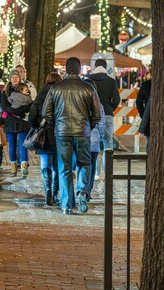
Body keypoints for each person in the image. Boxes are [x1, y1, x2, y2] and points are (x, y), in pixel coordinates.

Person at [42, 57, 102, 215]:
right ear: (80, 69)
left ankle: (67, 204)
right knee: (84, 163)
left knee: (64, 168)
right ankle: (82, 191)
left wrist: (56, 124)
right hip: (83, 131)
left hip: (62, 132)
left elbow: (45, 112)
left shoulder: (56, 88)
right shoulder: (89, 88)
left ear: (65, 70)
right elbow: (97, 115)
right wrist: (88, 125)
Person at [29, 72, 63, 206]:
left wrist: (36, 127)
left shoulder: (41, 94)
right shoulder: (61, 93)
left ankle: (47, 188)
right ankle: (54, 194)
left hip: (44, 135)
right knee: (57, 167)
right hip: (59, 133)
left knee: (45, 165)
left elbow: (32, 115)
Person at [88, 58, 120, 183]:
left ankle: (96, 173)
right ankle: (108, 172)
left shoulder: (88, 81)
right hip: (107, 114)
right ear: (106, 67)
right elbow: (116, 100)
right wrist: (110, 109)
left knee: (94, 144)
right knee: (108, 142)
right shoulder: (111, 81)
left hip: (92, 115)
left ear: (95, 67)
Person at [1, 70, 33, 177]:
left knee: (23, 144)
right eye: (13, 77)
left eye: (16, 77)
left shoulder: (25, 90)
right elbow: (5, 106)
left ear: (20, 78)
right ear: (10, 79)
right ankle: (13, 166)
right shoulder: (5, 92)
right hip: (10, 122)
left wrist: (20, 109)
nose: (15, 79)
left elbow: (30, 105)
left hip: (23, 122)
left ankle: (24, 165)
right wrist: (16, 111)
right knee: (12, 145)